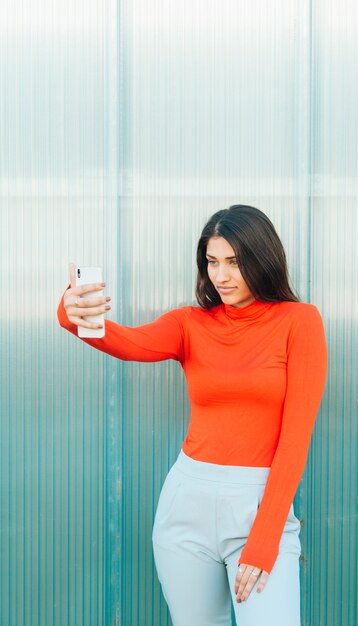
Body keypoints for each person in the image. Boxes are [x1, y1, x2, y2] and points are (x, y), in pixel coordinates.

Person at [57, 204, 328, 626]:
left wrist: (266, 536)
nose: (220, 276)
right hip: (187, 504)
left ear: (263, 259)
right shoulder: (191, 324)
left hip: (257, 509)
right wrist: (75, 317)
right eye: (212, 262)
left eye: (235, 262)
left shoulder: (300, 322)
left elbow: (296, 439)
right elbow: (128, 342)